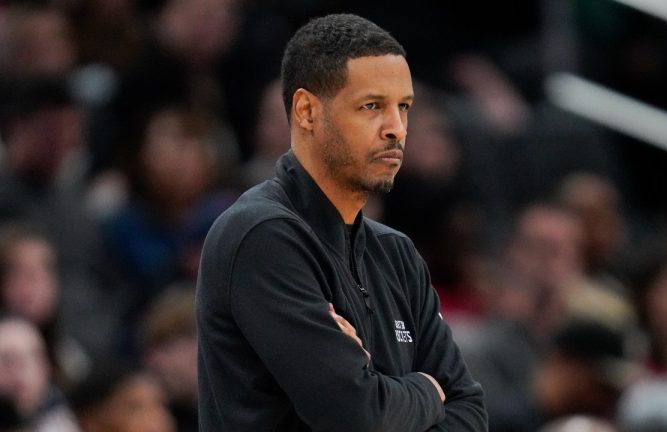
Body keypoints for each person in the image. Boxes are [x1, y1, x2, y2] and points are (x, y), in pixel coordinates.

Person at [196, 13, 487, 431]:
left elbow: (471, 414)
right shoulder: (262, 235)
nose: (397, 129)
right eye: (372, 106)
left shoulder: (398, 253)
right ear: (307, 111)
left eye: (403, 107)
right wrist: (425, 390)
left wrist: (380, 392)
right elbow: (355, 416)